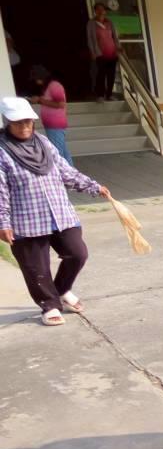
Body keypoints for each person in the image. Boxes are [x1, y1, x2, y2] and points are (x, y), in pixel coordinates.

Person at [0, 97, 111, 326]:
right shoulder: (2, 151)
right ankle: (49, 305)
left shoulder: (43, 143)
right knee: (36, 268)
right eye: (18, 123)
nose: (25, 127)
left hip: (60, 214)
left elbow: (65, 171)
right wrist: (3, 222)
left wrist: (93, 186)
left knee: (77, 253)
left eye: (28, 122)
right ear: (7, 122)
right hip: (26, 221)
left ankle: (60, 290)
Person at [30, 65, 72, 164]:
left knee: (57, 152)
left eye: (36, 78)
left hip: (55, 124)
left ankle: (61, 174)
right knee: (63, 150)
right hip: (51, 124)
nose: (36, 81)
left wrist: (40, 100)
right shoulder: (47, 87)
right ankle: (71, 170)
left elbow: (61, 104)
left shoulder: (55, 86)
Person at [86, 2, 120, 102]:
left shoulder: (109, 22)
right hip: (100, 53)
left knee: (111, 75)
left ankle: (109, 95)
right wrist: (93, 51)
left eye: (103, 9)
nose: (101, 11)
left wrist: (118, 48)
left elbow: (114, 37)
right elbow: (90, 39)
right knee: (101, 75)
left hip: (112, 53)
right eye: (98, 9)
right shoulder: (91, 23)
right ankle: (100, 95)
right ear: (95, 11)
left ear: (105, 11)